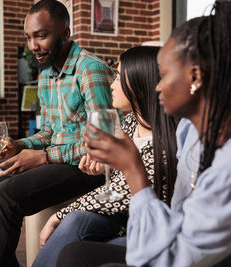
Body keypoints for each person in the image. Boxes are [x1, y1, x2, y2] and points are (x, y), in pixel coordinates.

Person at [57, 1, 231, 266]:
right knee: (74, 250)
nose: (157, 86)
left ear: (195, 77)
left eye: (162, 74)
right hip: (165, 232)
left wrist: (132, 168)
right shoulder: (188, 130)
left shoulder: (224, 168)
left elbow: (172, 258)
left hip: (178, 253)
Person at [0, 0, 114, 266]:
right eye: (29, 37)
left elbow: (104, 144)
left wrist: (44, 157)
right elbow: (48, 131)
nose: (33, 46)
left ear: (65, 33)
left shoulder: (89, 69)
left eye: (41, 35)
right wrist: (18, 145)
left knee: (4, 195)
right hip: (56, 157)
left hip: (86, 167)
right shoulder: (47, 74)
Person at [33, 46, 178, 267]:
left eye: (118, 77)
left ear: (139, 84)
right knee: (76, 220)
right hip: (121, 217)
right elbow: (120, 179)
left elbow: (121, 193)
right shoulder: (130, 123)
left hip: (143, 228)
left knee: (72, 226)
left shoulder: (163, 147)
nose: (111, 83)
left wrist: (57, 216)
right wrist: (106, 167)